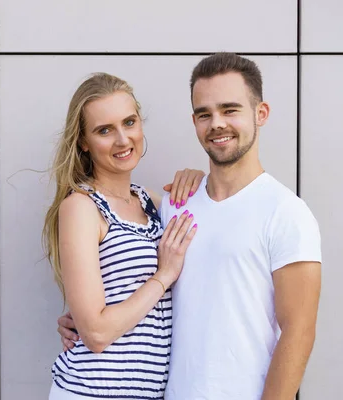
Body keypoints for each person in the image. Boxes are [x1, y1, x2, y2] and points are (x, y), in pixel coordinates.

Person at [58, 53, 322, 400]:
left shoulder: (286, 212)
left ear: (261, 114)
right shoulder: (175, 204)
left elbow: (299, 333)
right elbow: (114, 287)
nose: (217, 124)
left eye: (230, 110)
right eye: (204, 114)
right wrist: (78, 314)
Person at [43, 72, 205, 399]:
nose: (122, 139)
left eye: (129, 122)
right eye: (105, 130)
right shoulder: (81, 208)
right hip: (94, 392)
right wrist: (163, 276)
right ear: (84, 142)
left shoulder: (153, 203)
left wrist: (199, 181)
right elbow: (97, 333)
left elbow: (211, 218)